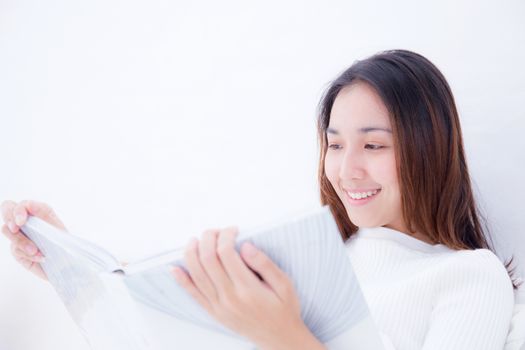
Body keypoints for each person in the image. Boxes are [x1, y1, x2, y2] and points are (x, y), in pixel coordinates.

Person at [1, 50, 518, 349]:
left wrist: (283, 334)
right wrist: (64, 259)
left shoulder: (468, 276)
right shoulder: (307, 252)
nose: (346, 168)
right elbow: (158, 317)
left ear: (430, 148)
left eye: (374, 145)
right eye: (335, 144)